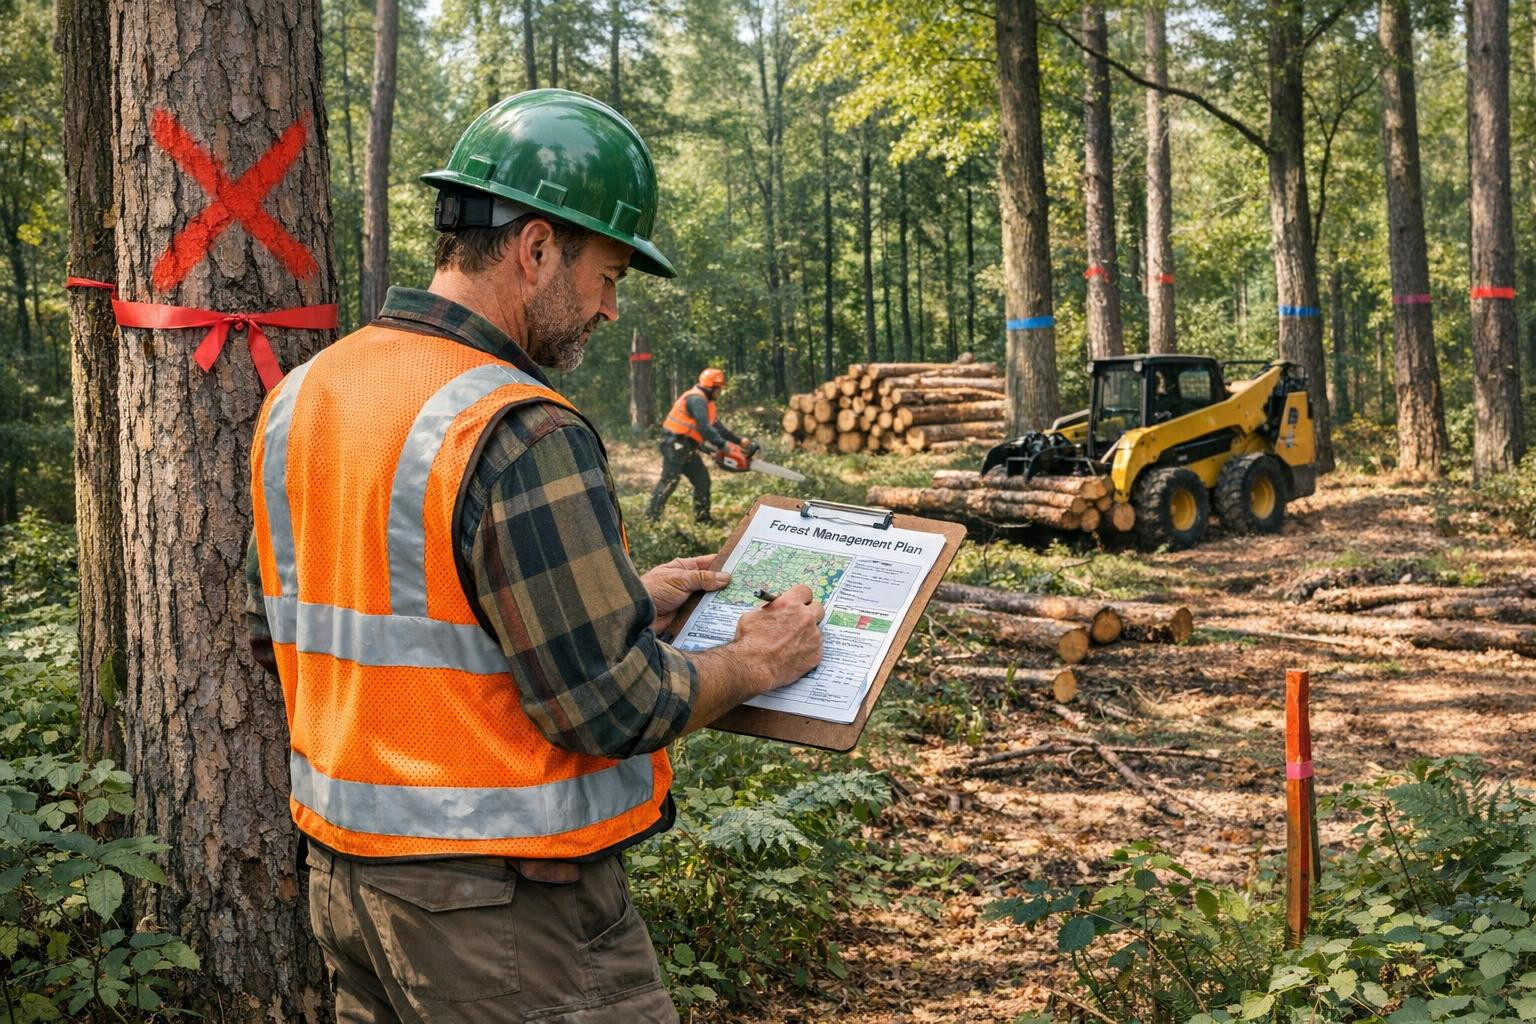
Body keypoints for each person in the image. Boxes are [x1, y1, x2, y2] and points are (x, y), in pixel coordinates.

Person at [243, 89, 824, 1023]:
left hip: (348, 891)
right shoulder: (516, 425)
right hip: (504, 921)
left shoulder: (306, 394)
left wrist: (616, 598)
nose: (607, 308)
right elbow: (611, 705)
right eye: (607, 274)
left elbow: (361, 611)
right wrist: (757, 660)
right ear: (538, 247)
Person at [645, 368, 750, 523]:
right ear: (711, 387)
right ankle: (651, 518)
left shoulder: (707, 403)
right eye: (719, 388)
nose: (720, 391)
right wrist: (722, 446)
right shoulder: (697, 400)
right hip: (674, 445)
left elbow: (717, 427)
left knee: (702, 479)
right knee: (669, 481)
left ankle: (703, 518)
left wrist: (738, 441)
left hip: (688, 447)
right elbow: (704, 428)